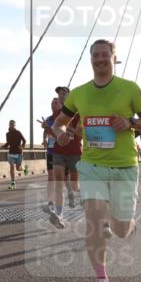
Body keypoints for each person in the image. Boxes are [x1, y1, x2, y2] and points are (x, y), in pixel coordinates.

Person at [51, 39, 141, 282]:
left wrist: (130, 122)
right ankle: (101, 281)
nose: (100, 59)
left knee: (120, 229)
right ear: (90, 58)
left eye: (104, 55)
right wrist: (59, 134)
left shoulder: (129, 89)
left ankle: (120, 224)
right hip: (92, 166)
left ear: (113, 58)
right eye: (95, 55)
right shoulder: (79, 93)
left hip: (124, 166)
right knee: (94, 221)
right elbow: (59, 123)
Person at [49, 85, 82, 227]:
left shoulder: (78, 111)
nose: (61, 96)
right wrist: (52, 130)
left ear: (70, 96)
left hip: (74, 151)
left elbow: (81, 132)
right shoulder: (57, 113)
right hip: (59, 150)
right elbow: (54, 129)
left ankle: (77, 195)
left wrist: (71, 131)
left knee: (75, 185)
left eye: (64, 93)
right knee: (58, 180)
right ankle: (59, 214)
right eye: (60, 94)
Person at [40, 98, 60, 213]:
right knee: (51, 177)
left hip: (62, 151)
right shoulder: (48, 119)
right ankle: (51, 202)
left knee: (62, 178)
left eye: (55, 103)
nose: (53, 105)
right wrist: (45, 139)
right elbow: (45, 131)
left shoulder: (64, 118)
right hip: (51, 150)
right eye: (52, 103)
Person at [2, 120, 25, 189]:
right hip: (11, 153)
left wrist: (22, 146)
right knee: (12, 167)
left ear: (15, 125)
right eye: (10, 123)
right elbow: (8, 142)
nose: (11, 125)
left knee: (18, 168)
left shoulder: (18, 132)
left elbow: (24, 140)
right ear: (9, 124)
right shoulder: (7, 134)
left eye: (13, 124)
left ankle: (24, 168)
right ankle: (13, 184)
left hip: (19, 153)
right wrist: (4, 146)